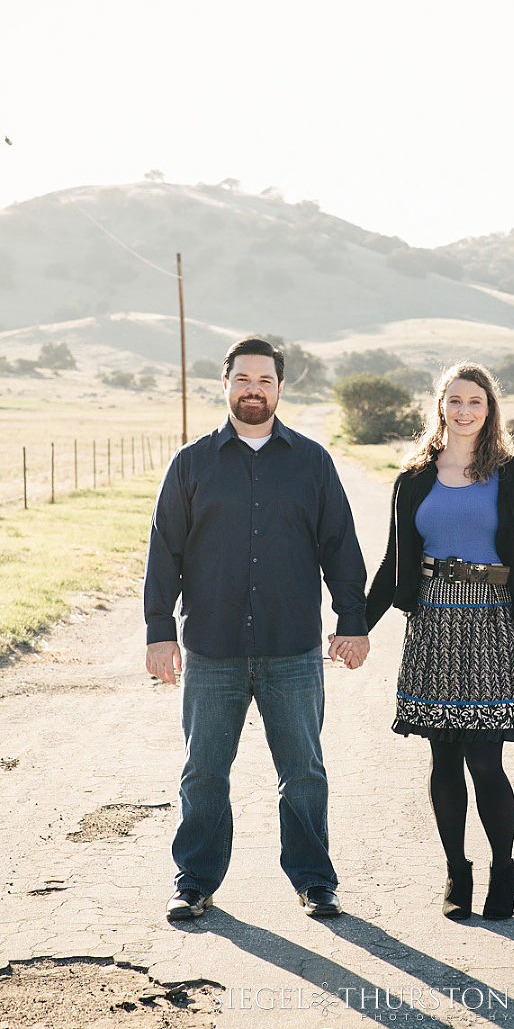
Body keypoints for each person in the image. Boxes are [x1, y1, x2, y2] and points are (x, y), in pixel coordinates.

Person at [144, 337, 370, 923]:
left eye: (265, 380)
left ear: (279, 388)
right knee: (204, 772)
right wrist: (158, 631)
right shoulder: (191, 463)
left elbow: (340, 545)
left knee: (303, 771)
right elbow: (164, 550)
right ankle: (194, 880)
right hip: (211, 647)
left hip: (290, 646)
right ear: (224, 385)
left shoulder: (311, 462)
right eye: (243, 379)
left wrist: (353, 621)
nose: (253, 389)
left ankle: (314, 880)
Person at [365, 362, 514, 920]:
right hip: (433, 628)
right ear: (440, 407)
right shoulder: (413, 478)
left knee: (485, 760)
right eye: (455, 400)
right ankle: (455, 871)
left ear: (490, 410)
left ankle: (504, 869)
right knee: (443, 758)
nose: (465, 411)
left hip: (494, 626)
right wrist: (355, 626)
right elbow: (394, 562)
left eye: (476, 402)